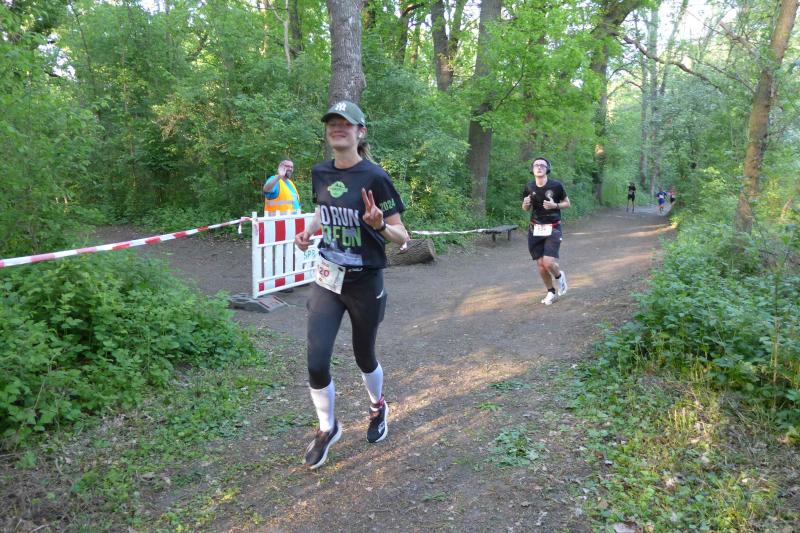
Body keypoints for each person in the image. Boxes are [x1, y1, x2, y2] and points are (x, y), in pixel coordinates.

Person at [294, 100, 409, 470]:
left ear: (361, 133)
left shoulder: (375, 178)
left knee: (364, 355)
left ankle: (378, 407)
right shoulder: (320, 172)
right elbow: (321, 209)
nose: (337, 127)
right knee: (316, 360)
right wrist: (308, 231)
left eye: (346, 123)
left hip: (364, 282)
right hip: (327, 278)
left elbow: (402, 237)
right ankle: (327, 427)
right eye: (332, 122)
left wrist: (379, 225)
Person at [521, 156, 571, 306]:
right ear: (532, 169)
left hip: (553, 227)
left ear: (547, 169)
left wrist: (555, 206)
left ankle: (559, 277)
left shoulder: (556, 186)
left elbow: (567, 203)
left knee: (548, 262)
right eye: (536, 165)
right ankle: (551, 292)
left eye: (542, 165)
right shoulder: (529, 187)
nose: (539, 167)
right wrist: (525, 204)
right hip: (535, 228)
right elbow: (525, 208)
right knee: (541, 264)